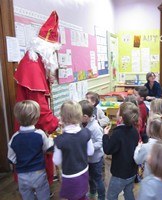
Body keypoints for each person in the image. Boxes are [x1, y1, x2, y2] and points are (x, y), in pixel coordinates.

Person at [14, 11, 61, 186]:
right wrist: (55, 123)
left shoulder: (35, 60)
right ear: (47, 49)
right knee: (36, 159)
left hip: (30, 121)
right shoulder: (33, 66)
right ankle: (40, 188)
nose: (55, 58)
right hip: (32, 125)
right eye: (54, 53)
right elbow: (39, 107)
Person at [8, 100, 53, 200]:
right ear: (36, 118)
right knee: (43, 195)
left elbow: (11, 159)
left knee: (27, 197)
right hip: (38, 173)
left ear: (17, 118)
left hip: (22, 175)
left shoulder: (14, 137)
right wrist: (49, 138)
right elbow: (48, 148)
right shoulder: (40, 134)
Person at [53, 101, 94, 200]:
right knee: (82, 194)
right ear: (80, 116)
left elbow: (56, 161)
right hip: (84, 171)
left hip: (69, 175)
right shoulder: (86, 132)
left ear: (62, 119)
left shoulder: (60, 140)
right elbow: (90, 152)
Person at [103, 102, 139, 200]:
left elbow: (107, 150)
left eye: (118, 110)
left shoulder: (117, 133)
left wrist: (105, 135)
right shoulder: (135, 131)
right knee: (128, 192)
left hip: (120, 174)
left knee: (111, 196)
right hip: (132, 171)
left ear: (121, 118)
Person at [79, 100, 105, 200]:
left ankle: (101, 197)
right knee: (90, 178)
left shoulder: (95, 127)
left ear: (85, 117)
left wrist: (89, 147)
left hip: (95, 160)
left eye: (78, 116)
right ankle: (93, 193)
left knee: (98, 179)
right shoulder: (82, 124)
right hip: (87, 159)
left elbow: (101, 142)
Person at [134, 113, 162, 178]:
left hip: (149, 180)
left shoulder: (146, 147)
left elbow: (137, 160)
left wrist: (138, 148)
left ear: (150, 130)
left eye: (146, 125)